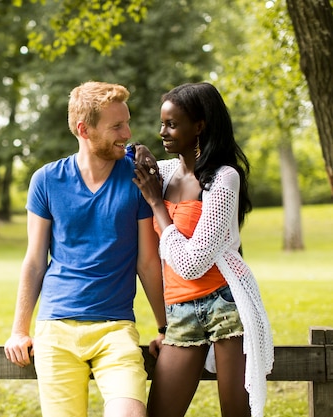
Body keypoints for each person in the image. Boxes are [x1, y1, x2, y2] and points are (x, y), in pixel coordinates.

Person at [3, 81, 167, 417]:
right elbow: (35, 261)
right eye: (116, 126)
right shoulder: (46, 180)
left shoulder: (137, 179)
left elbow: (148, 263)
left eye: (127, 122)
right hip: (56, 329)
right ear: (84, 129)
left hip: (115, 329)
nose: (128, 132)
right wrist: (19, 330)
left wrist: (166, 328)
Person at [132, 82, 274, 417]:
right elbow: (119, 167)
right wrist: (136, 151)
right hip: (180, 311)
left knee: (235, 413)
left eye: (172, 124)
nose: (162, 132)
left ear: (199, 126)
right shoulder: (164, 173)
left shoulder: (223, 179)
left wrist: (157, 205)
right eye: (162, 123)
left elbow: (193, 262)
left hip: (225, 305)